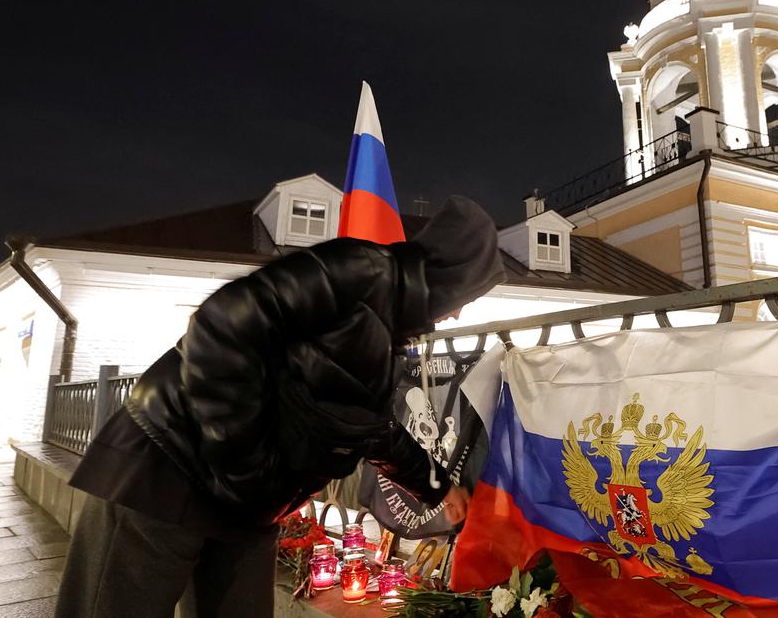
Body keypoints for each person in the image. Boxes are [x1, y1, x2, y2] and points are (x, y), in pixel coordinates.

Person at [55, 195, 506, 618]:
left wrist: (438, 488)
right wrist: (245, 469)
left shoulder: (389, 334)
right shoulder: (359, 270)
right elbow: (218, 327)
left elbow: (369, 427)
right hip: (168, 469)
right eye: (467, 296)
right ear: (451, 273)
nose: (459, 314)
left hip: (248, 505)